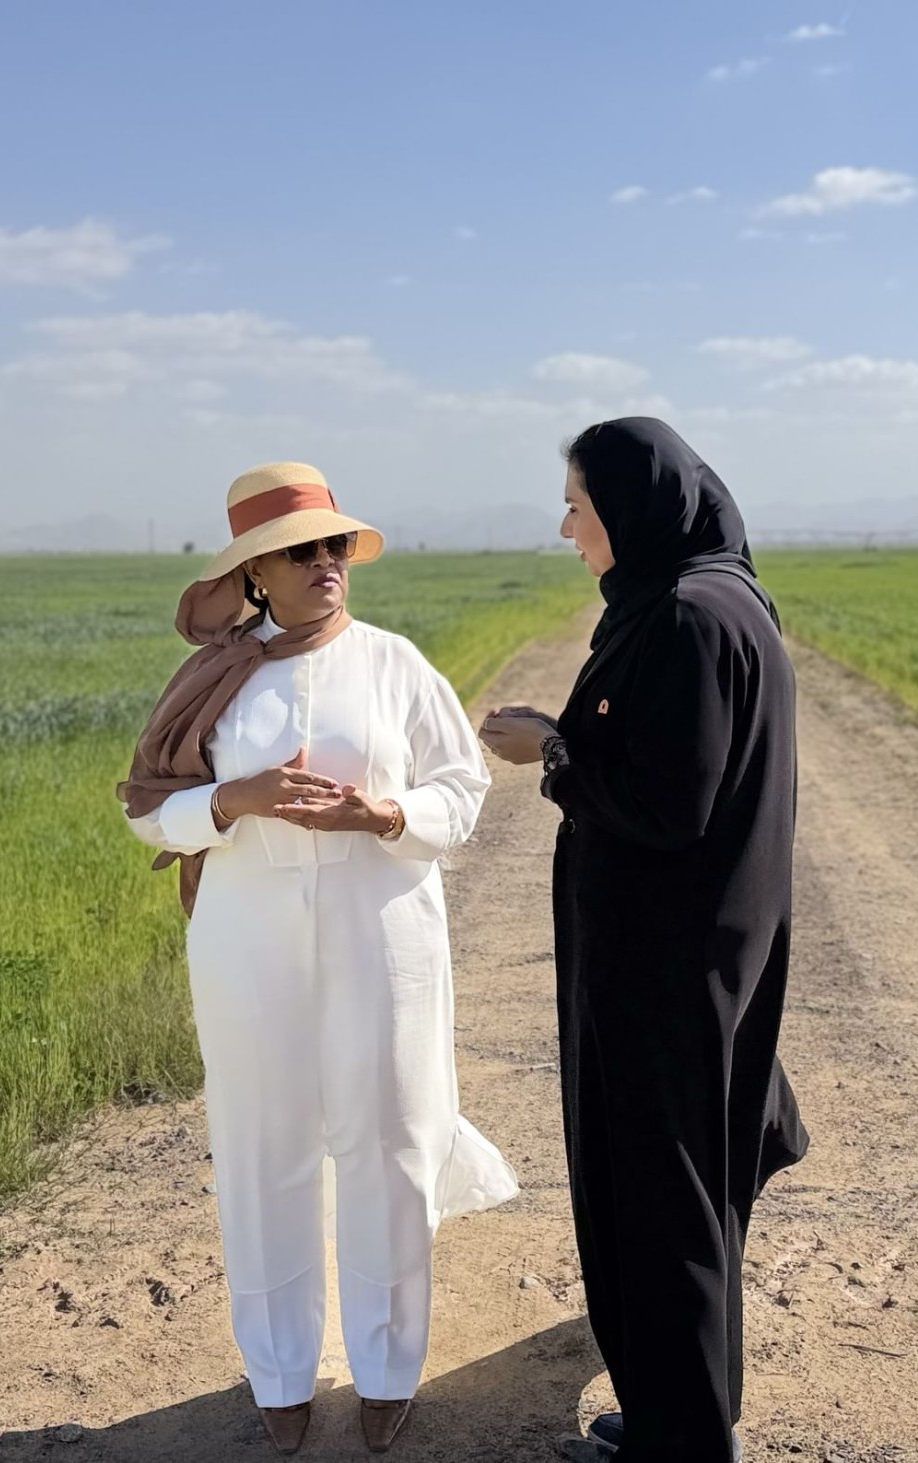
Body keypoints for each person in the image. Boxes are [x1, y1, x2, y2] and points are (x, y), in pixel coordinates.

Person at [120, 463, 518, 1455]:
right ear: (255, 571)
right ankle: (279, 1368)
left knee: (385, 1138)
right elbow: (144, 810)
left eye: (335, 544)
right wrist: (229, 802)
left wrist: (383, 811)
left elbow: (460, 790)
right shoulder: (216, 676)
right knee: (264, 1148)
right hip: (244, 944)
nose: (325, 562)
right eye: (300, 549)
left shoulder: (394, 664)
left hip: (382, 935)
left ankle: (388, 1366)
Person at [480, 419, 808, 1462]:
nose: (566, 524)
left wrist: (553, 750)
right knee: (692, 1189)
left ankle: (678, 1443)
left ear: (630, 508)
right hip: (702, 951)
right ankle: (694, 1408)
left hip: (661, 968)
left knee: (660, 1201)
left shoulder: (681, 618)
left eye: (578, 502)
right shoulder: (721, 595)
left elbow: (668, 804)